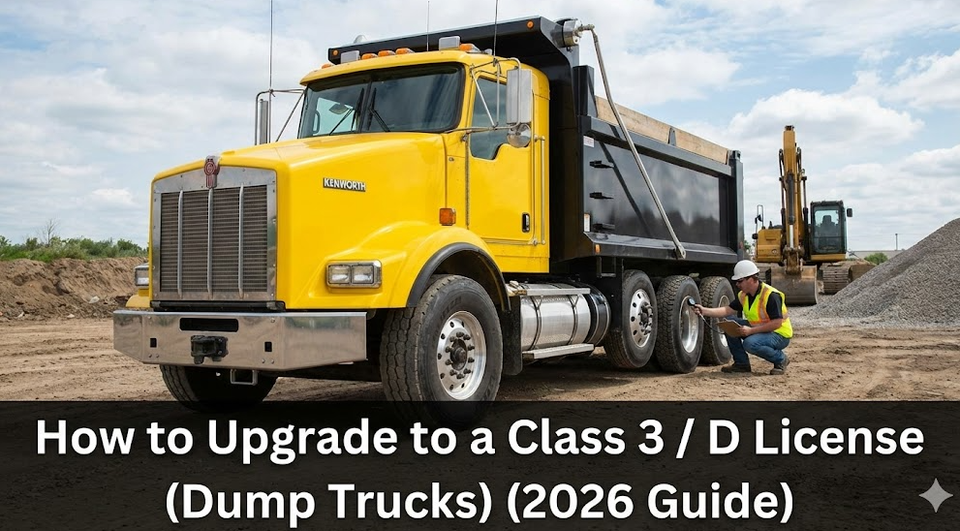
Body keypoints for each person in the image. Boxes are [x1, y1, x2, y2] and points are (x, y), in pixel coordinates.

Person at [694, 260, 793, 375]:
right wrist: (704, 310)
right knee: (729, 323)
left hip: (779, 334)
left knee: (750, 344)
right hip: (762, 329)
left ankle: (781, 359)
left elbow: (777, 323)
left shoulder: (771, 295)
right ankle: (742, 364)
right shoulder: (744, 295)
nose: (737, 285)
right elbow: (727, 310)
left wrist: (751, 331)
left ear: (751, 279)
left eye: (740, 281)